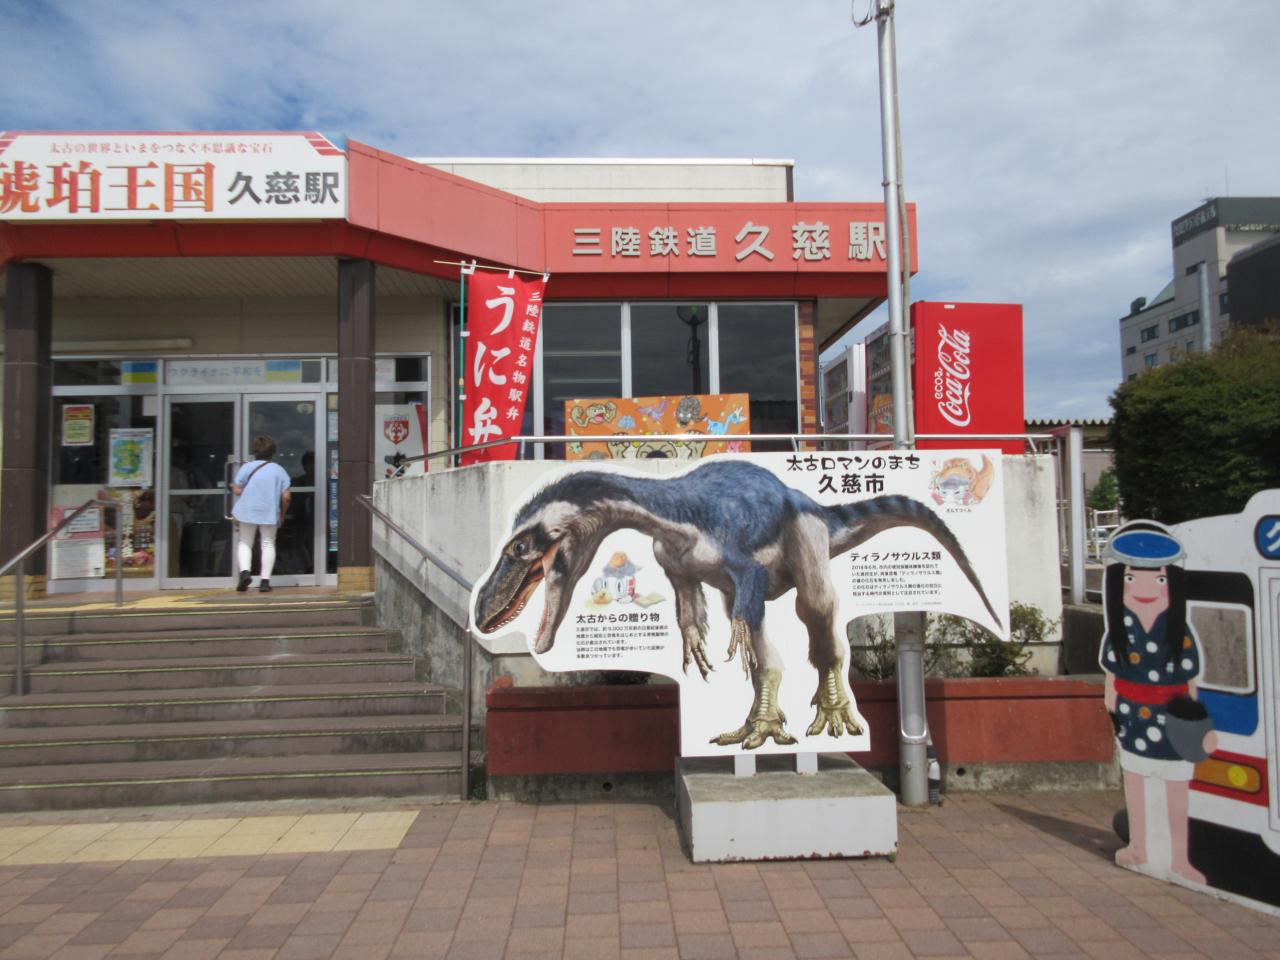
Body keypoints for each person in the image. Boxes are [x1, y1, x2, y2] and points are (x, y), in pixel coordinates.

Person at [1100, 520, 1215, 884]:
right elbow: (1111, 679)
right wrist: (1113, 715)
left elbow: (1190, 683)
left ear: (1173, 584)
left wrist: (1201, 726)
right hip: (1133, 720)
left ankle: (1180, 858)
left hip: (1173, 719)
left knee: (1176, 786)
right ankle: (1140, 847)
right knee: (1136, 783)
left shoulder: (1178, 631)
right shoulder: (1120, 631)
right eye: (1132, 578)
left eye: (1160, 579)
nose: (1145, 589)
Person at [231, 435, 291, 593]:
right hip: (269, 512)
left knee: (245, 542)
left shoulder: (247, 467)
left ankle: (245, 572)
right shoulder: (278, 470)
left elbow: (237, 490)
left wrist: (249, 491)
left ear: (255, 452)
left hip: (247, 511)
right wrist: (282, 514)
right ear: (273, 452)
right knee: (268, 543)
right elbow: (286, 497)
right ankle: (265, 581)